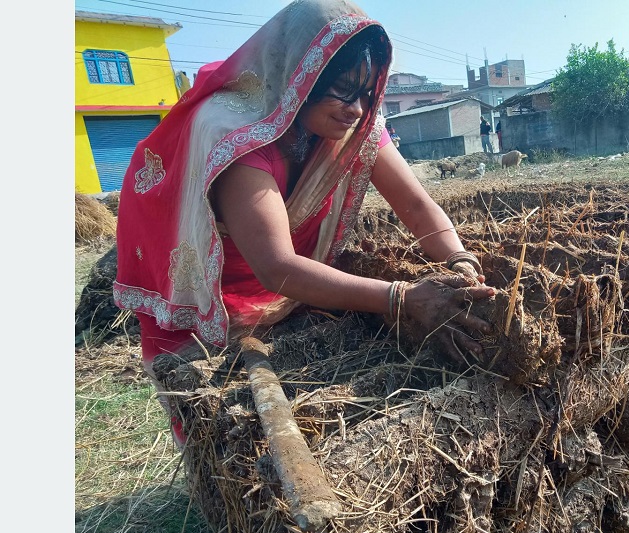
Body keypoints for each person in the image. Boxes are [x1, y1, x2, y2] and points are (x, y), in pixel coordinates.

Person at [114, 0, 495, 445]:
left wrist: (460, 259)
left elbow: (414, 203)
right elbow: (276, 266)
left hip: (282, 289)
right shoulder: (236, 134)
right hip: (204, 288)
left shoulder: (357, 126)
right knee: (217, 431)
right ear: (300, 75)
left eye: (368, 95)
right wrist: (403, 297)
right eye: (342, 90)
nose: (356, 109)